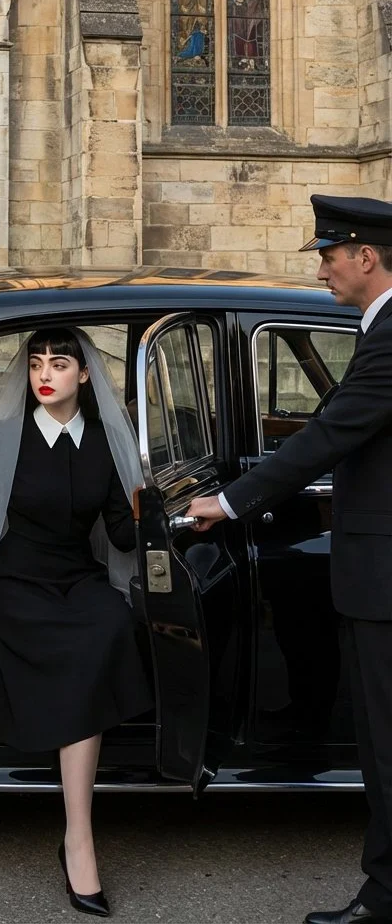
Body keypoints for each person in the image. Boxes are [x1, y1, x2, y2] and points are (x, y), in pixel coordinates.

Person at [188, 194, 392, 924]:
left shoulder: (391, 335)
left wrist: (230, 501)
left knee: (387, 745)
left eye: (329, 255)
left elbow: (327, 435)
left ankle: (386, 896)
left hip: (384, 581)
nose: (323, 269)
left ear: (366, 256)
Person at [0, 326, 150, 918]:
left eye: (59, 363)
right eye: (35, 364)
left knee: (109, 624)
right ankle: (80, 841)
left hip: (76, 576)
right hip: (17, 578)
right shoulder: (8, 433)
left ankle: (75, 834)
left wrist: (164, 509)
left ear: (84, 375)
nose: (44, 374)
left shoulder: (106, 442)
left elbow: (125, 533)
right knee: (77, 649)